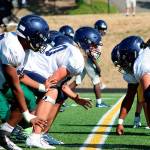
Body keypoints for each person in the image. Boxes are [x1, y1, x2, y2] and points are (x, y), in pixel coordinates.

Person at [23, 30, 93, 148]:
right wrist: (44, 87)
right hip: (29, 70)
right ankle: (34, 135)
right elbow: (54, 80)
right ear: (84, 43)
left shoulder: (70, 49)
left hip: (31, 68)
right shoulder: (77, 58)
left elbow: (63, 85)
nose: (97, 49)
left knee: (59, 94)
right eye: (94, 45)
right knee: (52, 91)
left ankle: (39, 134)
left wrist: (76, 98)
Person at [0, 14, 50, 150]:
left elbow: (18, 75)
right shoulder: (13, 48)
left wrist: (42, 87)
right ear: (28, 36)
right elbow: (15, 86)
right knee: (5, 110)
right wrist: (27, 115)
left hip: (2, 80)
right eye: (39, 38)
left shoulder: (22, 46)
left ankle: (3, 136)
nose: (41, 42)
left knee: (27, 98)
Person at [111, 35, 150, 135]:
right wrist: (120, 122)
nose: (124, 65)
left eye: (124, 60)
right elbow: (130, 96)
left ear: (133, 54)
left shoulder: (142, 63)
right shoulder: (139, 63)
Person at [69, 26, 109, 108]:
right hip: (88, 61)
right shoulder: (89, 40)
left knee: (77, 81)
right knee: (96, 81)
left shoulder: (85, 40)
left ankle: (61, 97)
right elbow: (91, 55)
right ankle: (99, 102)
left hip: (83, 60)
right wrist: (97, 66)